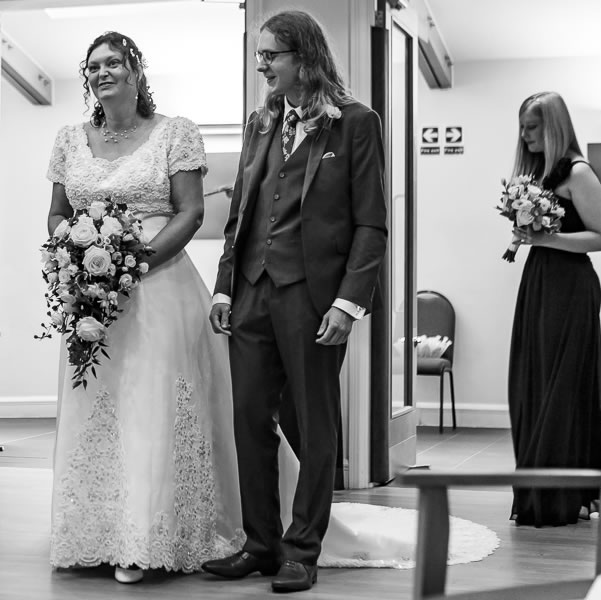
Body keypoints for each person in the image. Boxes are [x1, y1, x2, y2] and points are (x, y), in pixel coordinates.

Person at [45, 32, 244, 584]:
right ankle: (95, 533)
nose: (102, 72)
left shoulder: (174, 132)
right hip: (92, 295)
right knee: (96, 404)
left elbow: (190, 212)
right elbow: (57, 213)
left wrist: (132, 262)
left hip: (160, 288)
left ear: (136, 71)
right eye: (93, 66)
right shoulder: (69, 140)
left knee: (151, 406)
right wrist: (77, 257)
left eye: (114, 62)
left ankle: (147, 537)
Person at [203, 11, 388, 593]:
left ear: (304, 57)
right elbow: (241, 214)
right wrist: (225, 285)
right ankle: (260, 544)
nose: (261, 65)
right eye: (259, 55)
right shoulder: (260, 121)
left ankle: (302, 549)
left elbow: (371, 224)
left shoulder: (356, 123)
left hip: (313, 297)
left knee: (313, 419)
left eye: (271, 55)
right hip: (252, 292)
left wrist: (348, 303)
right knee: (249, 418)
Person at [507, 91, 601, 527]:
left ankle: (565, 495)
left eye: (532, 127)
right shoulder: (542, 174)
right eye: (522, 127)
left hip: (570, 287)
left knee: (563, 387)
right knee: (532, 382)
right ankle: (546, 490)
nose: (524, 136)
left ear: (553, 127)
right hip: (540, 282)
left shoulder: (579, 172)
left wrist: (546, 238)